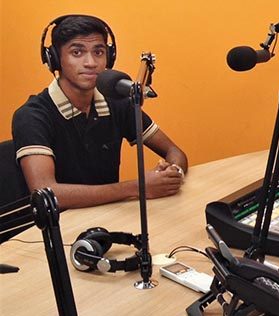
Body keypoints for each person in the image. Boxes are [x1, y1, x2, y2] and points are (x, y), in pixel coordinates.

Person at [12, 14, 188, 210]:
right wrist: (137, 187)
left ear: (109, 58)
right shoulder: (32, 116)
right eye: (77, 52)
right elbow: (47, 192)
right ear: (54, 59)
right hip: (54, 230)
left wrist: (173, 173)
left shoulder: (117, 102)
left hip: (108, 218)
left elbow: (174, 151)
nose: (91, 62)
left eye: (98, 52)